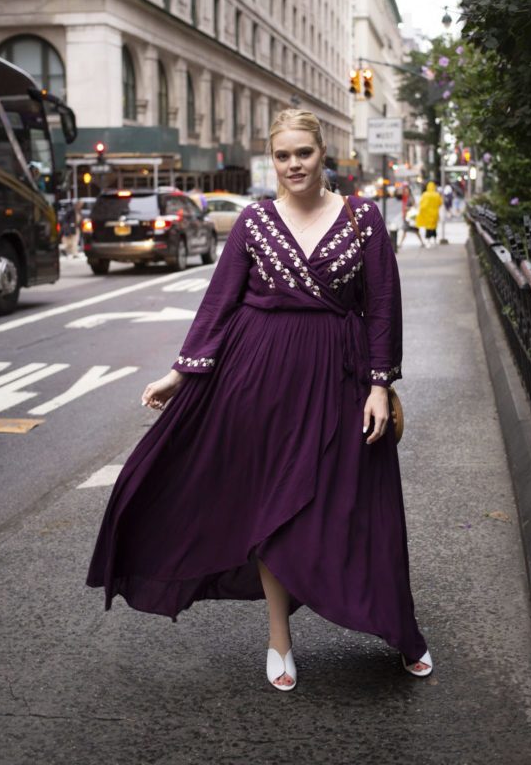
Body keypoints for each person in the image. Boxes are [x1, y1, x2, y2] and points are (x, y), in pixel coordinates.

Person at [86, 109, 432, 689]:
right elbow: (219, 306)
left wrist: (380, 384)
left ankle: (400, 627)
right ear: (271, 160)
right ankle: (279, 641)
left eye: (304, 153)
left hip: (341, 380)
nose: (293, 164)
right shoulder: (252, 222)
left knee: (361, 507)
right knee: (272, 512)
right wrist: (181, 373)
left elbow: (382, 306)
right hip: (259, 382)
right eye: (282, 155)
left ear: (324, 154)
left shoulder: (362, 219)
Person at [397, 183, 426, 251]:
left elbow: (415, 206)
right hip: (406, 217)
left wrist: (408, 208)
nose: (405, 191)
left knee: (414, 230)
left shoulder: (411, 197)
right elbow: (397, 194)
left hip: (410, 217)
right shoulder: (404, 197)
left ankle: (422, 242)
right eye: (404, 190)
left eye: (406, 190)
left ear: (409, 190)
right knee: (406, 230)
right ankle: (401, 243)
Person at [415, 181, 443, 248]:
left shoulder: (425, 194)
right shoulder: (437, 194)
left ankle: (428, 241)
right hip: (435, 214)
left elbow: (422, 205)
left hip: (427, 214)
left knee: (428, 228)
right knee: (434, 228)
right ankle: (435, 240)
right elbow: (440, 203)